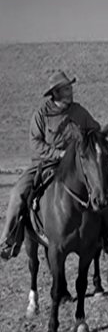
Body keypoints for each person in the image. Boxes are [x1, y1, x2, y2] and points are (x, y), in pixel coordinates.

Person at [0, 70, 100, 260]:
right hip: (46, 164)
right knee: (17, 194)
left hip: (76, 166)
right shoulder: (41, 115)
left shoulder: (79, 112)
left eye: (70, 87)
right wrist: (59, 154)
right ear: (55, 92)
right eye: (66, 88)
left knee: (102, 184)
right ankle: (9, 240)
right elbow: (35, 143)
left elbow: (94, 130)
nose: (71, 90)